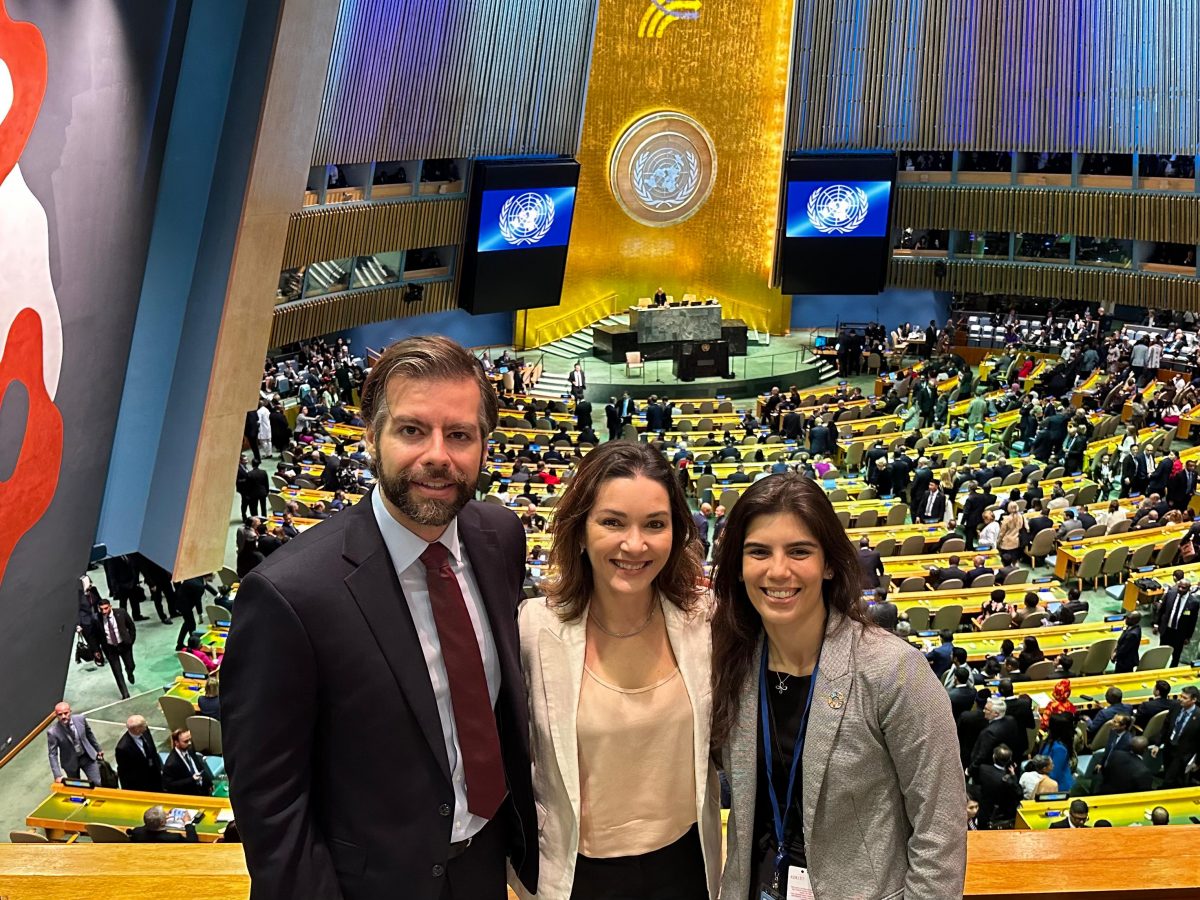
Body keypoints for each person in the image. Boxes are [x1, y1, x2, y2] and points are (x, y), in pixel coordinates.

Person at [222, 337, 538, 900]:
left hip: (485, 869)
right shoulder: (288, 594)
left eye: (459, 434)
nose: (438, 455)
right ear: (372, 438)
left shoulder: (500, 538)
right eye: (412, 430)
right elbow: (270, 804)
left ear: (485, 445)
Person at [710, 474, 965, 899]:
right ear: (738, 566)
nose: (778, 570)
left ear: (828, 563)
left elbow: (941, 823)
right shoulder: (731, 663)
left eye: (799, 552)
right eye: (758, 552)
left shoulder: (893, 670)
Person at [517, 441, 719, 900]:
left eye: (655, 524)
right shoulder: (533, 627)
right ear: (581, 531)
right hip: (579, 875)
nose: (635, 544)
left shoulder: (705, 620)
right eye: (612, 522)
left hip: (685, 867)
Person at [1151, 685, 1200, 788]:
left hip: (1183, 753)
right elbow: (1166, 725)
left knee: (1171, 779)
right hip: (1169, 746)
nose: (1180, 699)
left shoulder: (1199, 716)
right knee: (1168, 769)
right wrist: (1158, 744)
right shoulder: (1176, 706)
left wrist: (1198, 762)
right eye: (1180, 696)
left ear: (1194, 700)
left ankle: (1165, 790)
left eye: (1184, 698)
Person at [46, 702, 103, 784]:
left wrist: (98, 749)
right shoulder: (53, 732)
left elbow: (89, 734)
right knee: (76, 787)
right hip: (70, 762)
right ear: (56, 715)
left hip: (87, 757)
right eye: (60, 714)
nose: (63, 717)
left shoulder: (81, 719)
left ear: (70, 711)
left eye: (66, 713)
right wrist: (57, 775)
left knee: (97, 783)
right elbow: (52, 754)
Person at [95, 598, 137, 700]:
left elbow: (131, 627)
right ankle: (125, 693)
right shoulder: (96, 619)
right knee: (117, 671)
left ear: (110, 606)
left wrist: (130, 641)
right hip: (110, 648)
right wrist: (96, 650)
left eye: (106, 608)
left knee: (130, 665)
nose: (104, 611)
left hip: (124, 645)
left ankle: (129, 672)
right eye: (101, 609)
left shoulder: (121, 612)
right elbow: (94, 636)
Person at [1154, 577, 1199, 667]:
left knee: (1176, 655)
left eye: (1183, 588)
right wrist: (1156, 624)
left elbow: (1192, 621)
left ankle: (1172, 670)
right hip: (1166, 629)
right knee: (1161, 651)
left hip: (1180, 633)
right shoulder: (1170, 594)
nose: (1180, 589)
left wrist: (1188, 637)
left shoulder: (1194, 602)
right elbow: (1161, 610)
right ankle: (1158, 668)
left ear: (1189, 588)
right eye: (1179, 587)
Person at [976, 744, 1023, 829]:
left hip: (984, 810)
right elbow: (1019, 793)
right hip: (1000, 816)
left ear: (993, 757)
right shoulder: (1008, 780)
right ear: (1010, 760)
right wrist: (1013, 776)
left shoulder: (983, 769)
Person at [115, 714, 163, 793]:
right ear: (137, 729)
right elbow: (125, 774)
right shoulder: (122, 748)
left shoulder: (145, 730)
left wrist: (160, 767)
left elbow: (153, 750)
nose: (146, 724)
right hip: (141, 784)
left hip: (156, 776)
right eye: (144, 724)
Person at [162, 728, 214, 797]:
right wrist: (191, 780)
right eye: (186, 741)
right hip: (191, 795)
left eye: (190, 740)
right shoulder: (171, 763)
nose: (189, 743)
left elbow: (200, 768)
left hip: (203, 790)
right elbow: (170, 786)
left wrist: (209, 783)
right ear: (176, 742)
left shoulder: (189, 749)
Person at [1039, 712, 1076, 793]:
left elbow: (1054, 774)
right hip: (1046, 780)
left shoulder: (1060, 749)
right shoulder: (1049, 741)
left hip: (1059, 788)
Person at [129, 805, 200, 843]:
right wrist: (187, 822)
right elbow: (193, 842)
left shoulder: (136, 832)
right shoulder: (174, 838)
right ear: (162, 822)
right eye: (164, 813)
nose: (166, 813)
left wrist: (159, 819)